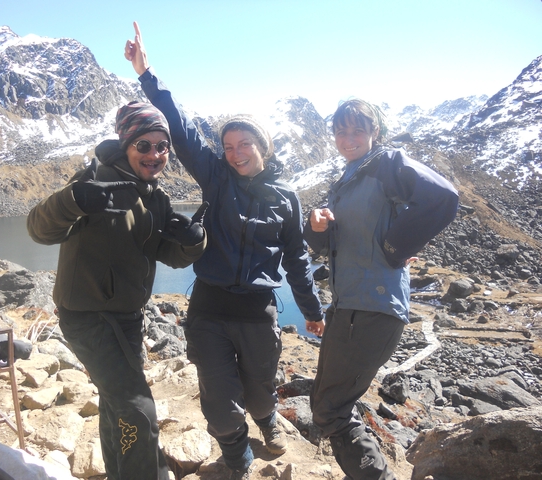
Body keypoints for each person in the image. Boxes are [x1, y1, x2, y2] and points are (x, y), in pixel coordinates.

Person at [124, 22, 325, 480]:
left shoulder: (286, 197)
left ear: (263, 147)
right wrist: (147, 73)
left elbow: (296, 256)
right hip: (210, 306)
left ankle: (268, 420)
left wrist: (311, 308)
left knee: (258, 392)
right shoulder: (215, 178)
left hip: (258, 312)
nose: (235, 154)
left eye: (244, 144)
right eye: (229, 146)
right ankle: (236, 456)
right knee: (218, 394)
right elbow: (180, 126)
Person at [26, 101, 208, 480]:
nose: (155, 154)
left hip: (127, 318)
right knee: (136, 410)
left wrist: (193, 241)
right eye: (144, 145)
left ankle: (120, 472)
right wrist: (73, 200)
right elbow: (39, 230)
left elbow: (167, 255)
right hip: (89, 319)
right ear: (126, 143)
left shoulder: (154, 196)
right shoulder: (94, 179)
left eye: (162, 146)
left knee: (116, 405)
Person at [304, 99, 459, 479]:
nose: (348, 138)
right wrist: (315, 227)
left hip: (372, 309)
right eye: (341, 131)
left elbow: (442, 197)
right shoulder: (347, 179)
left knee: (330, 410)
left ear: (375, 132)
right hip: (346, 308)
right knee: (326, 403)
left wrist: (396, 247)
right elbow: (330, 246)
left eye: (358, 130)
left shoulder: (387, 164)